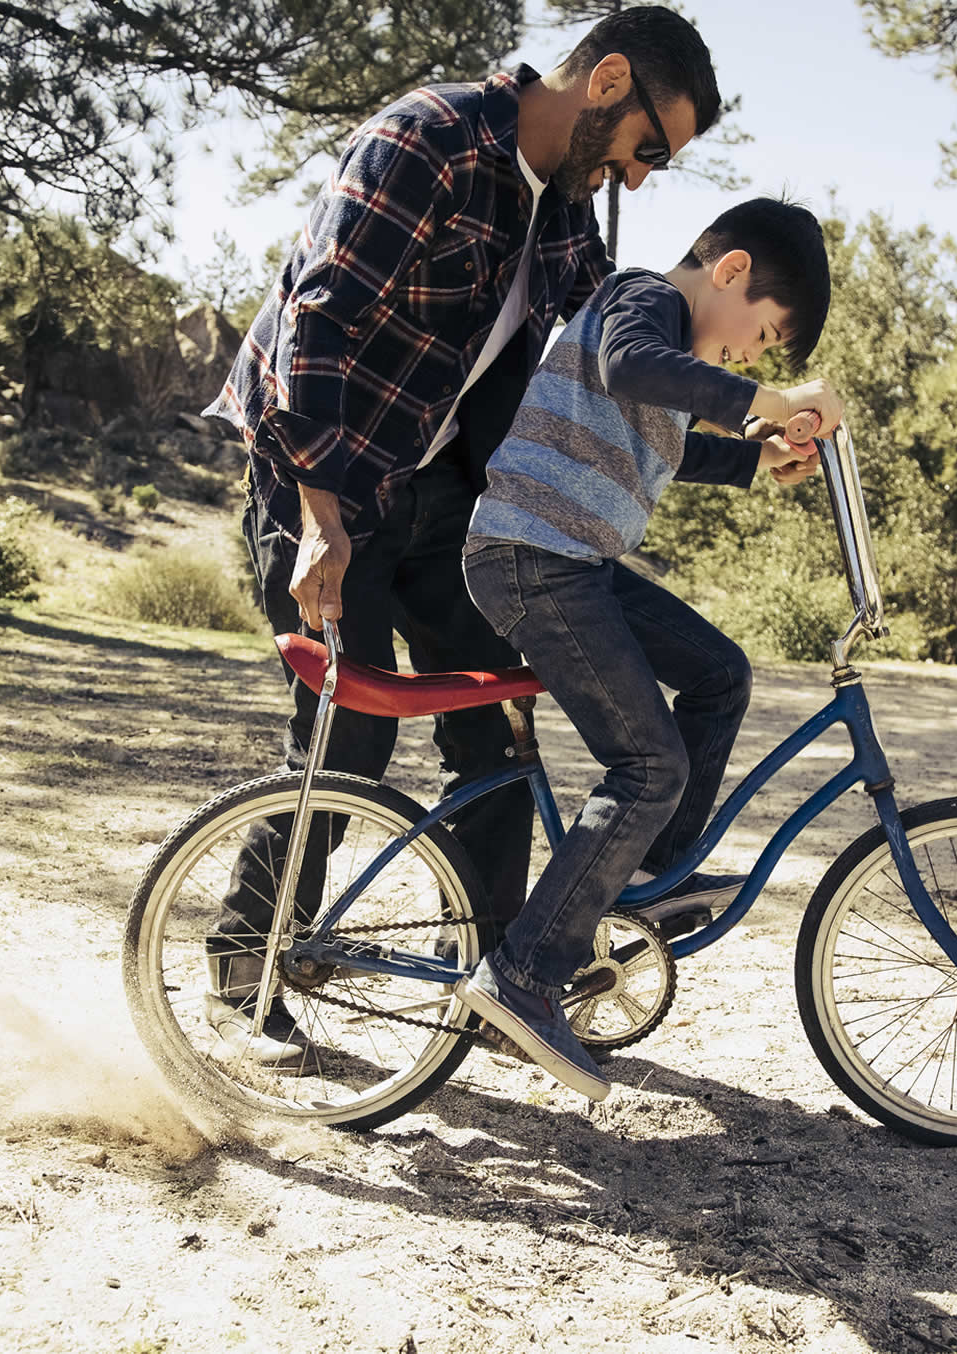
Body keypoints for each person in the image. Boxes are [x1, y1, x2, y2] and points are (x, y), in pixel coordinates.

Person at [200, 8, 727, 1067]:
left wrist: (745, 436)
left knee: (498, 728)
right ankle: (244, 969)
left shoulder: (564, 213)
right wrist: (319, 518)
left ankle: (497, 986)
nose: (639, 179)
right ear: (606, 81)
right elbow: (317, 321)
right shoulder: (428, 138)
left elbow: (607, 380)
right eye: (649, 148)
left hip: (441, 494)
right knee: (348, 733)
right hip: (323, 473)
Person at [454, 196, 842, 1100]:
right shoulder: (641, 301)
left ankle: (650, 874)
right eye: (760, 336)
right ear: (731, 272)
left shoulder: (664, 352)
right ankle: (522, 972)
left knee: (719, 674)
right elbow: (633, 366)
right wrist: (770, 402)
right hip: (531, 556)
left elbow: (666, 445)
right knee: (648, 765)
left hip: (572, 559)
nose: (749, 359)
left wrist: (757, 456)